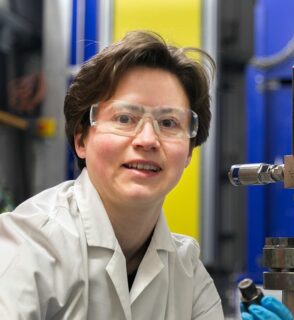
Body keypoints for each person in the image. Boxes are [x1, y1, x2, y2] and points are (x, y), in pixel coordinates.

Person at [0, 30, 222, 319]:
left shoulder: (187, 269)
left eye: (168, 122)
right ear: (81, 140)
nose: (148, 139)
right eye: (124, 118)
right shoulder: (28, 246)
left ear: (189, 152)